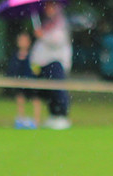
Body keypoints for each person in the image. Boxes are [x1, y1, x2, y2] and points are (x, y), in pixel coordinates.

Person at [30, 1, 72, 130]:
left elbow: (57, 41)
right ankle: (53, 115)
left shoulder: (60, 22)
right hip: (44, 63)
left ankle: (62, 116)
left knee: (57, 89)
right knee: (48, 91)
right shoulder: (46, 22)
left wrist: (43, 36)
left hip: (56, 62)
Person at [7, 32, 42, 129]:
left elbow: (36, 69)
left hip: (31, 82)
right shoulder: (15, 56)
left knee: (35, 99)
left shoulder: (33, 55)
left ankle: (36, 120)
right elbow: (12, 69)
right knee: (20, 98)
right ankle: (21, 118)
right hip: (20, 82)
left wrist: (34, 75)